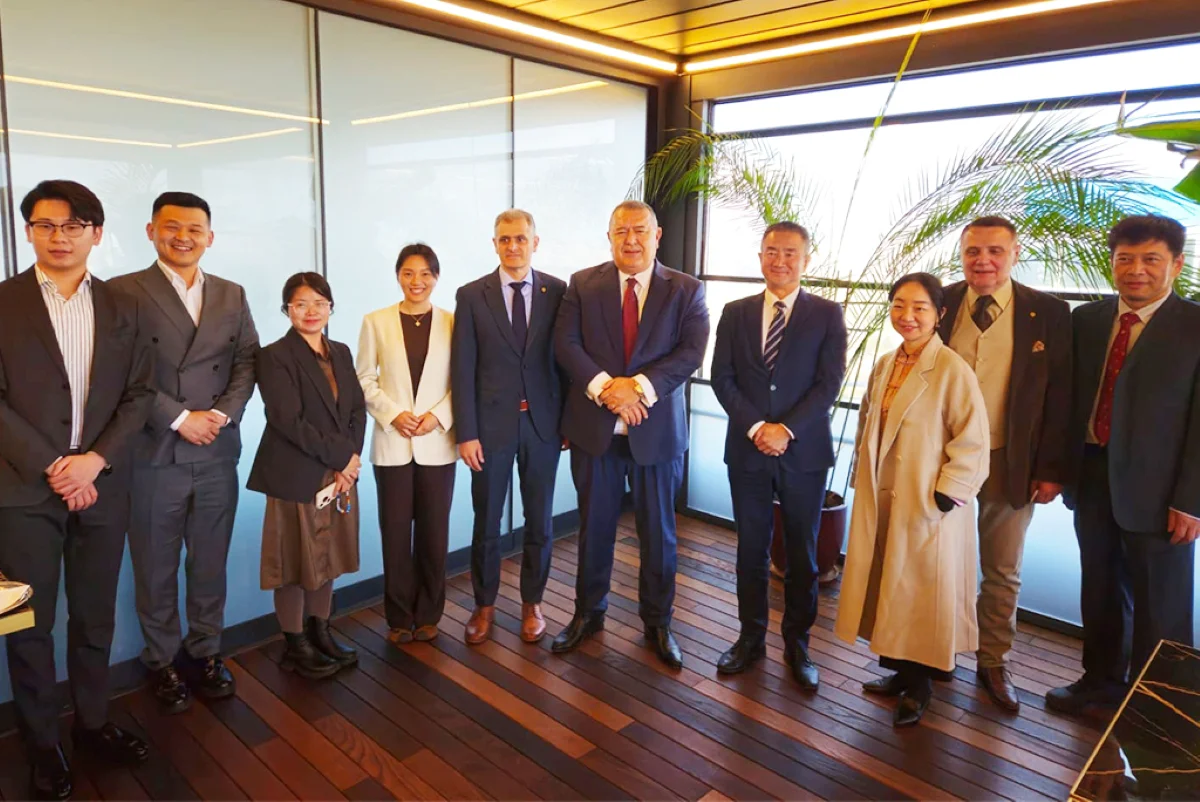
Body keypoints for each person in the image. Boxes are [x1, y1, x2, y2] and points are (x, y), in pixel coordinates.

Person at [0, 180, 154, 799]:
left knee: (94, 616)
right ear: (28, 231)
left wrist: (93, 462)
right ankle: (42, 743)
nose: (58, 237)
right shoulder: (3, 302)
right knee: (25, 623)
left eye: (72, 226)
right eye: (45, 225)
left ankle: (92, 723)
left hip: (103, 487)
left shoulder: (124, 306)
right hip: (21, 493)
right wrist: (55, 466)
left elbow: (140, 395)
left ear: (95, 233)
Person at [110, 192, 259, 714]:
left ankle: (206, 652)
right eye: (171, 226)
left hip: (216, 449)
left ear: (209, 237)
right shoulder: (122, 291)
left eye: (195, 229)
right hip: (153, 452)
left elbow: (247, 361)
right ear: (151, 231)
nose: (183, 237)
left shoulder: (231, 293)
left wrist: (220, 415)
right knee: (154, 565)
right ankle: (161, 660)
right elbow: (118, 369)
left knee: (209, 561)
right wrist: (179, 418)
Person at [1048, 215, 1200, 717]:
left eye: (1151, 259)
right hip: (1092, 475)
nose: (1136, 270)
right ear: (1112, 263)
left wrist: (1191, 501)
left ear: (1176, 264)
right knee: (1100, 588)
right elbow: (1067, 400)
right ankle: (1100, 683)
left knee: (1163, 603)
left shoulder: (1195, 325)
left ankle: (1161, 711)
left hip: (1163, 492)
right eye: (1125, 259)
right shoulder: (1086, 320)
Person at [551, 200, 709, 668]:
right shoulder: (583, 284)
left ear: (657, 235)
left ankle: (658, 623)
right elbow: (566, 344)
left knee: (658, 534)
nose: (631, 240)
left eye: (640, 230)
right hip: (595, 430)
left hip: (656, 434)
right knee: (594, 528)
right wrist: (608, 390)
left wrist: (636, 388)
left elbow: (691, 353)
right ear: (609, 237)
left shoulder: (686, 289)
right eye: (621, 231)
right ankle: (588, 613)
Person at [835, 272, 990, 728]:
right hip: (885, 494)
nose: (908, 316)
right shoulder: (885, 363)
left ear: (940, 314)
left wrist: (948, 491)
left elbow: (973, 439)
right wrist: (860, 475)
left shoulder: (952, 369)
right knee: (891, 585)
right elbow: (867, 422)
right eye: (899, 305)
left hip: (927, 501)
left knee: (922, 593)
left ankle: (920, 685)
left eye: (920, 307)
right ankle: (898, 672)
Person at [937, 216, 1072, 712]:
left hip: (1011, 460)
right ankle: (931, 654)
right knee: (935, 559)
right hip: (943, 457)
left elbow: (1060, 395)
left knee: (1002, 568)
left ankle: (993, 660)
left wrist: (1050, 468)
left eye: (995, 251)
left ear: (1015, 253)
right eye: (973, 251)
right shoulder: (941, 301)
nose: (983, 261)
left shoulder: (1049, 312)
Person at [710, 222, 846, 688]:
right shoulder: (735, 312)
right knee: (750, 548)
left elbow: (829, 383)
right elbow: (722, 377)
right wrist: (756, 428)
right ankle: (750, 638)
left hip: (803, 452)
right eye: (771, 251)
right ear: (760, 256)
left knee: (803, 553)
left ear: (806, 259)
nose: (780, 261)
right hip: (747, 450)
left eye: (790, 253)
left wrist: (785, 430)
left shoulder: (827, 314)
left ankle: (798, 643)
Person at [452, 210, 567, 644]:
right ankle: (484, 606)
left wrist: (566, 423)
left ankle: (532, 603)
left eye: (520, 238)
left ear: (535, 242)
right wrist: (466, 432)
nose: (513, 246)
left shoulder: (558, 291)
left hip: (543, 426)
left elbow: (565, 361)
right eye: (505, 239)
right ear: (495, 244)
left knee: (540, 520)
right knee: (487, 521)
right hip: (489, 428)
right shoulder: (471, 295)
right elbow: (462, 367)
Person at [247, 273, 365, 680]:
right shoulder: (274, 356)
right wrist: (342, 458)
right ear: (287, 310)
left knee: (328, 557)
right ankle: (295, 643)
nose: (311, 311)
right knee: (293, 561)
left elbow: (356, 410)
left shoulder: (341, 352)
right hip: (295, 473)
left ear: (331, 307)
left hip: (338, 474)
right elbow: (286, 420)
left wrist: (351, 461)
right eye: (300, 304)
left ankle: (321, 632)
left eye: (319, 302)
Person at [357, 244, 456, 644]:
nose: (417, 281)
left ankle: (429, 614)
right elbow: (364, 378)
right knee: (395, 534)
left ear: (436, 277)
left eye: (426, 273)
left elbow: (463, 379)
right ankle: (399, 617)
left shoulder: (453, 322)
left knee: (434, 533)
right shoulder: (376, 321)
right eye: (409, 273)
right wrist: (393, 414)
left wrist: (439, 416)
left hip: (437, 442)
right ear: (398, 276)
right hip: (392, 442)